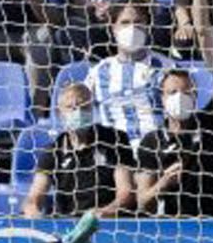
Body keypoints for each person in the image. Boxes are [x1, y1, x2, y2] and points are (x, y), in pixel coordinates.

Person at [23, 80, 136, 217]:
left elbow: (126, 192)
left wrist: (104, 212)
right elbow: (35, 194)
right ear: (60, 113)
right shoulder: (54, 151)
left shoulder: (115, 140)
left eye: (84, 107)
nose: (79, 112)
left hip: (108, 222)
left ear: (92, 109)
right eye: (71, 107)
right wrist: (32, 209)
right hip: (68, 224)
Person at [135, 68, 213, 215]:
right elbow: (143, 203)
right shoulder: (152, 142)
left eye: (187, 93)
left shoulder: (211, 123)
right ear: (162, 98)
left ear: (195, 97)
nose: (180, 98)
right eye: (172, 92)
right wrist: (163, 183)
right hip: (177, 227)